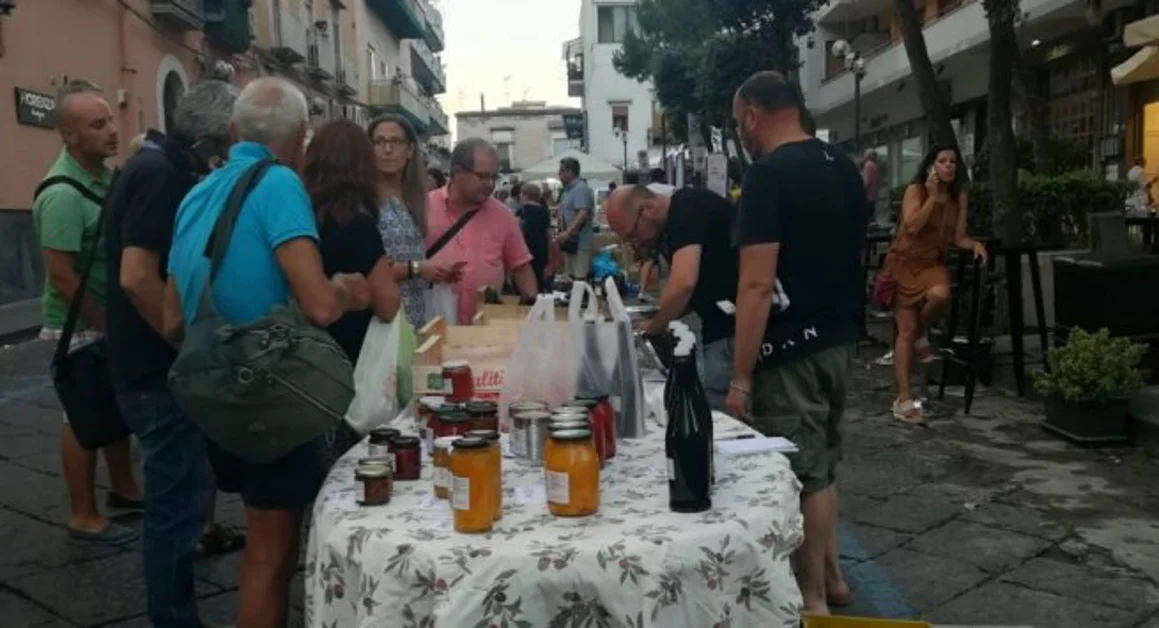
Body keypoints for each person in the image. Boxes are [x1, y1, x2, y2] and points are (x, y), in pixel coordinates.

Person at [163, 77, 371, 628]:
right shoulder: (279, 184)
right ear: (302, 137)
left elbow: (170, 319)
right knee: (270, 554)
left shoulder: (197, 192)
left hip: (216, 389)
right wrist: (350, 288)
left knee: (260, 541)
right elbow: (320, 305)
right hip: (271, 390)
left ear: (232, 131)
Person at [726, 70, 867, 615]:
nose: (742, 134)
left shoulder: (769, 175)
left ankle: (810, 601)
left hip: (790, 348)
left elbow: (757, 284)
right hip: (839, 338)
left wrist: (740, 376)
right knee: (824, 463)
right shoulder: (845, 168)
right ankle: (832, 580)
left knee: (802, 472)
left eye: (741, 123)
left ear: (755, 115)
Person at [104, 80, 241, 627]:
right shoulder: (160, 174)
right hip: (158, 372)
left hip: (147, 365)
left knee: (178, 499)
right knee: (173, 508)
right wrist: (186, 341)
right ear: (221, 134)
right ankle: (175, 619)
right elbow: (138, 276)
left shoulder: (151, 165)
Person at [31, 79, 142, 544]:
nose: (111, 131)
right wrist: (104, 324)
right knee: (81, 416)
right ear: (70, 136)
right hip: (79, 322)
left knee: (111, 406)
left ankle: (123, 488)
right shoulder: (62, 194)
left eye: (110, 121)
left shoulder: (99, 178)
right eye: (98, 125)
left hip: (104, 316)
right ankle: (82, 514)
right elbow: (61, 275)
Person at [303, 119, 401, 465]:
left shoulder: (299, 217)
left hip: (305, 361)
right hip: (351, 365)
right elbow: (388, 304)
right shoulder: (358, 225)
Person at [605, 184, 738, 411]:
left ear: (648, 208)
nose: (635, 243)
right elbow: (692, 288)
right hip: (721, 322)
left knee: (721, 410)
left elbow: (684, 282)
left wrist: (655, 325)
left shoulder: (686, 210)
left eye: (632, 234)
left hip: (731, 327)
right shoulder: (677, 217)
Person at [885, 146, 987, 423]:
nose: (949, 166)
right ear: (931, 166)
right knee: (904, 332)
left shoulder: (958, 197)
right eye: (942, 161)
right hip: (905, 262)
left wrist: (975, 244)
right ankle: (903, 399)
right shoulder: (915, 190)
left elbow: (958, 237)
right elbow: (913, 226)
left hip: (932, 264)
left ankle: (920, 332)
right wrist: (931, 198)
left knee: (941, 295)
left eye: (953, 161)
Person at [428, 138, 539, 323]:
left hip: (485, 330)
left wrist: (534, 315)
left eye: (494, 177)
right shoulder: (423, 208)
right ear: (456, 173)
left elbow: (521, 267)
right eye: (482, 176)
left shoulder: (503, 216)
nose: (489, 184)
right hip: (432, 329)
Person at [370, 114, 458, 330]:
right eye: (379, 142)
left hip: (416, 317)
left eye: (396, 142)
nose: (387, 149)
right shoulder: (364, 200)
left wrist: (435, 272)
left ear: (409, 150)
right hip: (381, 322)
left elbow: (412, 257)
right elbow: (365, 270)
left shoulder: (415, 198)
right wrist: (417, 268)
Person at [557, 157, 595, 280]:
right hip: (570, 242)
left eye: (561, 171)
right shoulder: (568, 190)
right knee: (570, 277)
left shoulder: (580, 188)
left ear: (570, 172)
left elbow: (582, 213)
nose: (559, 174)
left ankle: (580, 299)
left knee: (579, 278)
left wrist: (567, 232)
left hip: (579, 242)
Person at [516, 181, 551, 293]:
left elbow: (518, 233)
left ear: (526, 194)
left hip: (526, 251)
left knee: (525, 283)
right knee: (539, 282)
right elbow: (549, 235)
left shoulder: (521, 212)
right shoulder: (544, 212)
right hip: (541, 251)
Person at [861, 149, 881, 222]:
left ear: (867, 156)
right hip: (873, 196)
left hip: (867, 196)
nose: (863, 157)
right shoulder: (875, 165)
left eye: (864, 155)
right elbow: (878, 181)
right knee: (872, 215)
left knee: (868, 217)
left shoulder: (868, 165)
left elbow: (866, 182)